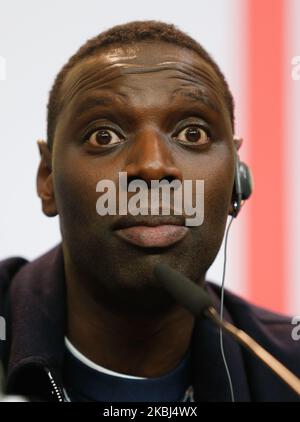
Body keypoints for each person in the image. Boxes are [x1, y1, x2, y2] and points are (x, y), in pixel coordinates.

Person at [0, 20, 299, 402]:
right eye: (103, 135)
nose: (153, 167)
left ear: (236, 182)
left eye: (193, 133)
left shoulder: (287, 368)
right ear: (47, 178)